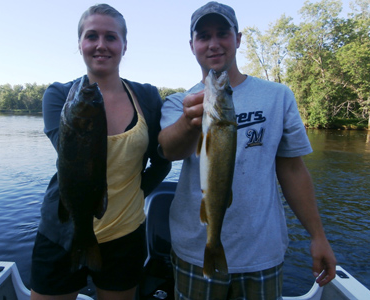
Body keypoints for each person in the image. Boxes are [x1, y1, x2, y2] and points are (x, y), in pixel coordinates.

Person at [158, 2, 337, 299]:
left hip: (261, 251)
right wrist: (189, 122)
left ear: (238, 39)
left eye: (222, 33)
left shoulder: (278, 97)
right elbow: (169, 150)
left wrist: (318, 236)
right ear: (192, 45)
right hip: (195, 248)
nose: (214, 44)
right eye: (204, 36)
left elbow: (292, 170)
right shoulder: (180, 102)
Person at [30, 4, 171, 300]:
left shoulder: (146, 96)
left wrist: (136, 192)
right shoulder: (59, 95)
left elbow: (162, 162)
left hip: (125, 234)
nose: (101, 45)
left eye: (111, 37)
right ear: (80, 43)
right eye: (91, 36)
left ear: (124, 45)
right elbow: (73, 157)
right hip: (62, 230)